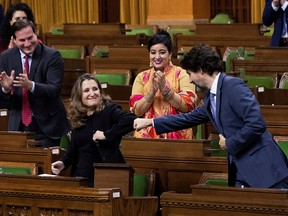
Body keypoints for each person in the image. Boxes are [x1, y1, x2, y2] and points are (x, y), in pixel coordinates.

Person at [134, 44, 288, 189]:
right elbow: (187, 118)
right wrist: (150, 122)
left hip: (266, 170)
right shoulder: (210, 98)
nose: (190, 79)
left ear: (200, 70)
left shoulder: (232, 86)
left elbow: (257, 124)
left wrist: (230, 143)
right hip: (242, 171)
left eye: (190, 73)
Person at [51, 74, 136, 186]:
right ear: (79, 95)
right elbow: (75, 148)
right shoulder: (79, 116)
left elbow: (131, 119)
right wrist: (63, 163)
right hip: (80, 178)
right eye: (86, 90)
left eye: (95, 89)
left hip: (105, 177)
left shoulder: (109, 110)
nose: (92, 93)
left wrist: (107, 134)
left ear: (100, 92)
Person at [0, 19, 70, 148]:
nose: (27, 44)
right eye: (22, 40)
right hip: (18, 126)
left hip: (47, 127)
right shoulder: (6, 57)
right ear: (14, 40)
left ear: (35, 33)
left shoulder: (52, 56)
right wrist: (5, 89)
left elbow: (54, 90)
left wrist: (31, 85)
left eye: (30, 38)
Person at [129, 30, 198, 139]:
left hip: (177, 131)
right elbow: (137, 111)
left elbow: (187, 106)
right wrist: (152, 92)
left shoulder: (182, 74)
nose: (157, 57)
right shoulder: (141, 77)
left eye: (162, 52)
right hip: (147, 134)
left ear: (170, 54)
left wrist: (165, 89)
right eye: (153, 52)